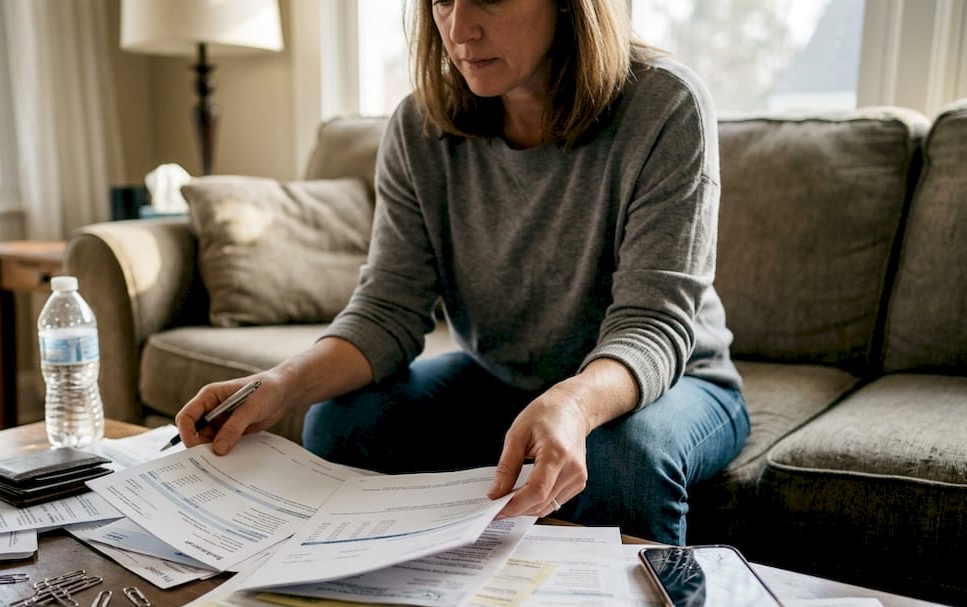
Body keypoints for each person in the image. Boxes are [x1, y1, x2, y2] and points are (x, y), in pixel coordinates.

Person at [176, 0, 749, 545]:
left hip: (664, 384)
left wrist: (573, 403)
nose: (459, 28)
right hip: (499, 378)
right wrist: (281, 384)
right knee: (339, 419)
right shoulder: (419, 127)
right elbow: (387, 311)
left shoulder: (666, 105)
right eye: (443, 1)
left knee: (620, 458)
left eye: (491, 0)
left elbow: (651, 326)